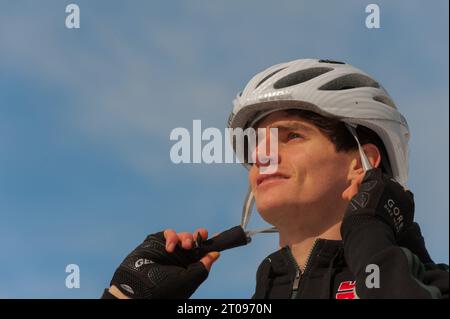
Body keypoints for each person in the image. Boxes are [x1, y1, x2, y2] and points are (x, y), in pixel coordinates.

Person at [102, 58, 449, 299]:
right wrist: (126, 296)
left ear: (362, 162)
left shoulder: (434, 283)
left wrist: (371, 239)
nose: (263, 156)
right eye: (258, 146)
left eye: (292, 136)